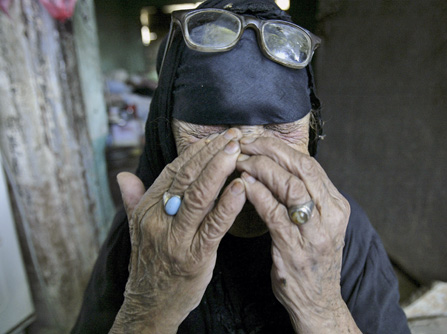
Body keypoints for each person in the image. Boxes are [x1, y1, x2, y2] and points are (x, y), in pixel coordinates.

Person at [72, 0, 411, 333]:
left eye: (280, 130)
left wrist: (321, 306)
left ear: (310, 132)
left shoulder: (343, 233)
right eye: (215, 133)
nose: (248, 165)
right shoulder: (141, 235)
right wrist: (148, 308)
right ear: (165, 137)